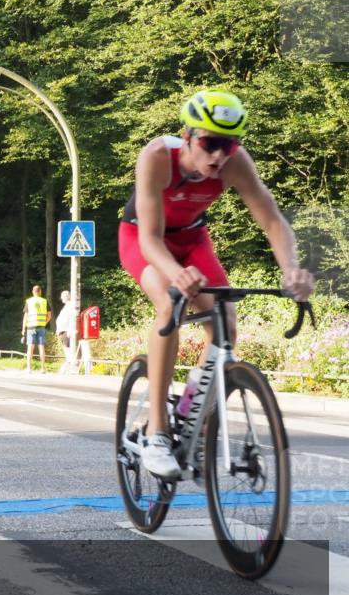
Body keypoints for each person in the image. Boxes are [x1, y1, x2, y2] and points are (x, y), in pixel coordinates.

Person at [118, 89, 314, 479]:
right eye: (210, 143)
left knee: (226, 322)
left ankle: (197, 412)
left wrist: (290, 268)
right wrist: (176, 274)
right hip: (145, 239)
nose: (218, 156)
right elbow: (151, 240)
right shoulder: (157, 157)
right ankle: (157, 431)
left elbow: (273, 221)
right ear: (188, 136)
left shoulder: (234, 163)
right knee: (169, 303)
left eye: (229, 144)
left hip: (192, 240)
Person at [21, 285, 51, 373]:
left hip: (31, 327)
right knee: (41, 347)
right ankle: (42, 368)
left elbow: (25, 317)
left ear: (33, 292)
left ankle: (29, 368)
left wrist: (23, 329)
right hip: (41, 327)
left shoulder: (29, 301)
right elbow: (49, 315)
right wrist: (44, 323)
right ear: (40, 291)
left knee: (30, 347)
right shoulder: (44, 301)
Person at [55, 290, 77, 374]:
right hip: (63, 330)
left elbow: (71, 318)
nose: (61, 298)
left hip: (66, 331)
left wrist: (69, 330)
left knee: (68, 350)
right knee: (67, 349)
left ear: (66, 297)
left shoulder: (70, 306)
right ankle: (70, 366)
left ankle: (72, 367)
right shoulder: (67, 306)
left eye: (62, 296)